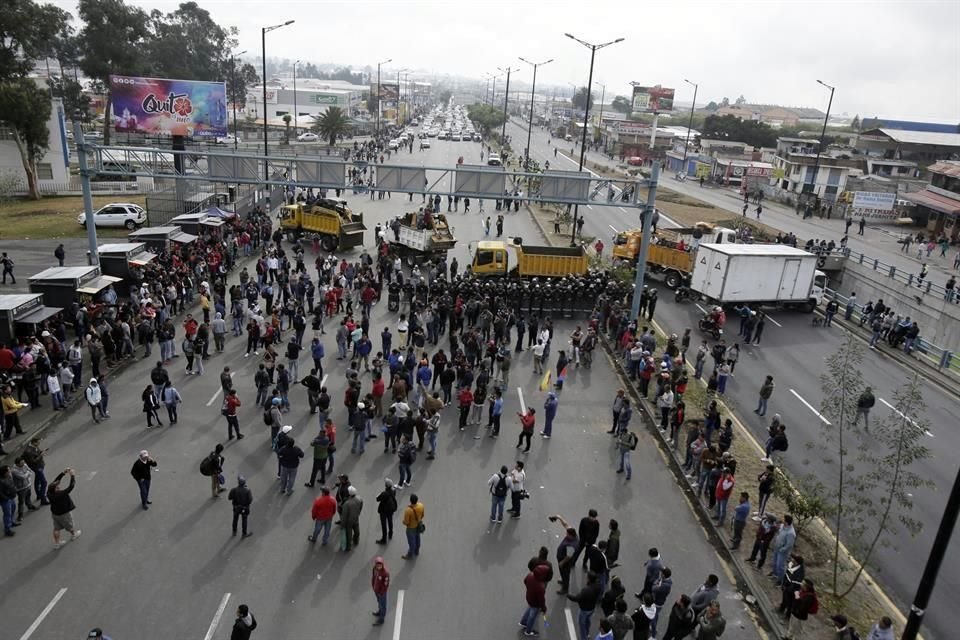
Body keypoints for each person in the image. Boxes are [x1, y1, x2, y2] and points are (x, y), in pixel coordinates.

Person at [47, 468, 81, 548]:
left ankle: (57, 543)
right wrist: (72, 475)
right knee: (69, 525)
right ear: (55, 489)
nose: (58, 486)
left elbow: (55, 482)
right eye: (57, 486)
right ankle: (74, 534)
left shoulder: (49, 493)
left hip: (55, 514)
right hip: (64, 514)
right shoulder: (60, 494)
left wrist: (63, 473)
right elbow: (71, 486)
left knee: (56, 528)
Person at [568, 571, 602, 640]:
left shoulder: (586, 590)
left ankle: (584, 637)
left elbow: (576, 598)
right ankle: (587, 633)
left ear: (589, 579)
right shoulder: (598, 586)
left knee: (582, 624)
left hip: (584, 609)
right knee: (587, 620)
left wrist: (568, 595)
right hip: (592, 608)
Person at [520, 561, 549, 637]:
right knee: (532, 616)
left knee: (529, 608)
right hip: (535, 603)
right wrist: (543, 608)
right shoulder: (540, 587)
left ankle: (523, 622)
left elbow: (525, 581)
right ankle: (528, 631)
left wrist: (529, 588)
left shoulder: (530, 575)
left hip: (529, 597)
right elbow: (541, 600)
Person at [401, 493, 425, 559]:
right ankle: (417, 551)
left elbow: (406, 522)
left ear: (410, 500)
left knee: (412, 543)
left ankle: (410, 555)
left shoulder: (408, 510)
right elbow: (422, 515)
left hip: (411, 528)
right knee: (418, 538)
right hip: (418, 526)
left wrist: (404, 522)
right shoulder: (421, 505)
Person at [375, 478, 398, 544]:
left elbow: (378, 499)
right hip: (391, 509)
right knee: (390, 521)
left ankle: (384, 539)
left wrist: (379, 495)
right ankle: (390, 534)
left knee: (384, 524)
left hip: (384, 510)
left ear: (386, 485)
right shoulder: (393, 491)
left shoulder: (384, 493)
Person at [340, 485, 363, 551]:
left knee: (348, 534)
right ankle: (356, 541)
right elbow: (361, 506)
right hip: (356, 518)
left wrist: (342, 524)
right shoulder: (359, 499)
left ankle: (348, 546)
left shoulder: (347, 503)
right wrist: (358, 513)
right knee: (357, 531)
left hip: (348, 521)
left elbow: (344, 515)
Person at [371, 556, 391, 626]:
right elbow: (373, 577)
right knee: (379, 602)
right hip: (376, 590)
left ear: (382, 564)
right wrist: (373, 586)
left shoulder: (385, 573)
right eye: (377, 565)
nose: (379, 566)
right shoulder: (374, 569)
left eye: (380, 565)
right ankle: (380, 612)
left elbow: (385, 585)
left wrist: (381, 592)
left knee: (382, 604)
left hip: (381, 592)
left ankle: (381, 619)